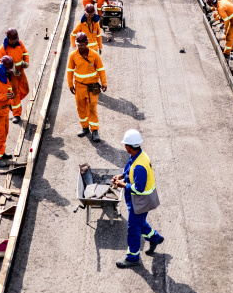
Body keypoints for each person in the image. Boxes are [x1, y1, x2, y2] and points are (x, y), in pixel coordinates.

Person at [112, 129, 163, 268]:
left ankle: (133, 258)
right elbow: (129, 168)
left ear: (128, 147)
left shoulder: (140, 165)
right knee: (139, 223)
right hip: (138, 201)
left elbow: (138, 189)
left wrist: (123, 185)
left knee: (133, 229)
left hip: (142, 200)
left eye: (125, 145)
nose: (124, 147)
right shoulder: (138, 155)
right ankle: (155, 238)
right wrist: (121, 176)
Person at [66, 33, 107, 142]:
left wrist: (104, 83)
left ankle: (94, 131)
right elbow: (70, 71)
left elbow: (101, 69)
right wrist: (70, 85)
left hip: (92, 87)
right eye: (78, 45)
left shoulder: (94, 55)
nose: (80, 47)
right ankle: (85, 128)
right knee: (81, 108)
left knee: (92, 108)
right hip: (79, 87)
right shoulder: (73, 55)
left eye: (82, 45)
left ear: (87, 43)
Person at [0, 28, 30, 124]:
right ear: (8, 39)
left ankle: (12, 103)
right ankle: (16, 114)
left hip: (21, 72)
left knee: (25, 90)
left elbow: (25, 53)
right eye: (13, 39)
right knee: (15, 94)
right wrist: (13, 70)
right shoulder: (2, 50)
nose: (16, 41)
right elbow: (2, 64)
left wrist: (26, 62)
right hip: (11, 75)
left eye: (16, 39)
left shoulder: (20, 43)